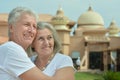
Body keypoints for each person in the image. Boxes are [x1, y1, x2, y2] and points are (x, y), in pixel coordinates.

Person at [0, 7, 63, 80]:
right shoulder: (11, 49)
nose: (31, 30)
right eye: (26, 25)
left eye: (34, 26)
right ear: (11, 27)